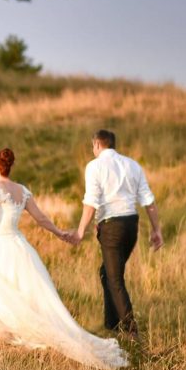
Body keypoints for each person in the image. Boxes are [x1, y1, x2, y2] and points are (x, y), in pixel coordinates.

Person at [0, 148, 129, 370]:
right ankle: (13, 333)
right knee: (22, 293)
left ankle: (13, 332)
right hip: (19, 247)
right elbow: (41, 219)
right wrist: (59, 232)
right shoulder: (22, 191)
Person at [65, 129, 163, 341]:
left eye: (92, 146)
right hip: (131, 226)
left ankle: (131, 331)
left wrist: (80, 231)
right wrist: (157, 230)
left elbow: (91, 201)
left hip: (112, 228)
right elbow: (148, 201)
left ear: (97, 145)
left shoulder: (95, 166)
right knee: (106, 273)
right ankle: (112, 325)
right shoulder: (132, 165)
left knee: (114, 279)